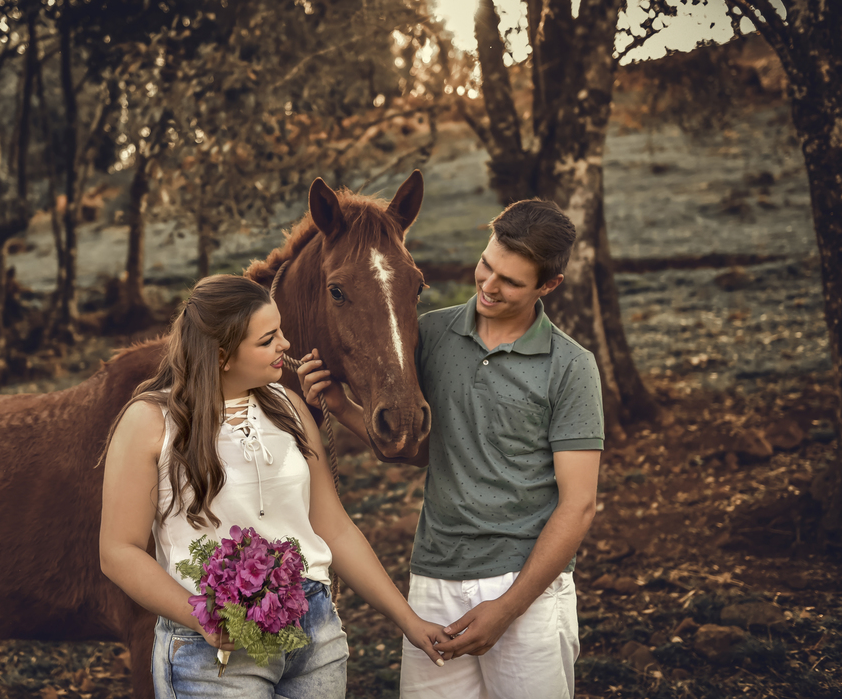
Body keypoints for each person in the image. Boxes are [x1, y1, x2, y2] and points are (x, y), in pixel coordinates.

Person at [299, 199, 604, 699]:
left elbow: (579, 505)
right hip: (434, 580)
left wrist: (508, 608)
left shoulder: (571, 366)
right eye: (487, 265)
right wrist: (340, 405)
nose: (489, 285)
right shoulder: (432, 335)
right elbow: (415, 450)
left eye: (511, 281)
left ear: (548, 286)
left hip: (524, 588)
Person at [100, 274, 449, 699]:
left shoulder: (288, 407)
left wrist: (409, 621)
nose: (285, 344)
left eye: (280, 330)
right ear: (221, 355)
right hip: (216, 652)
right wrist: (201, 618)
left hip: (314, 635)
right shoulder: (150, 422)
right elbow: (118, 551)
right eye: (268, 340)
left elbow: (334, 528)